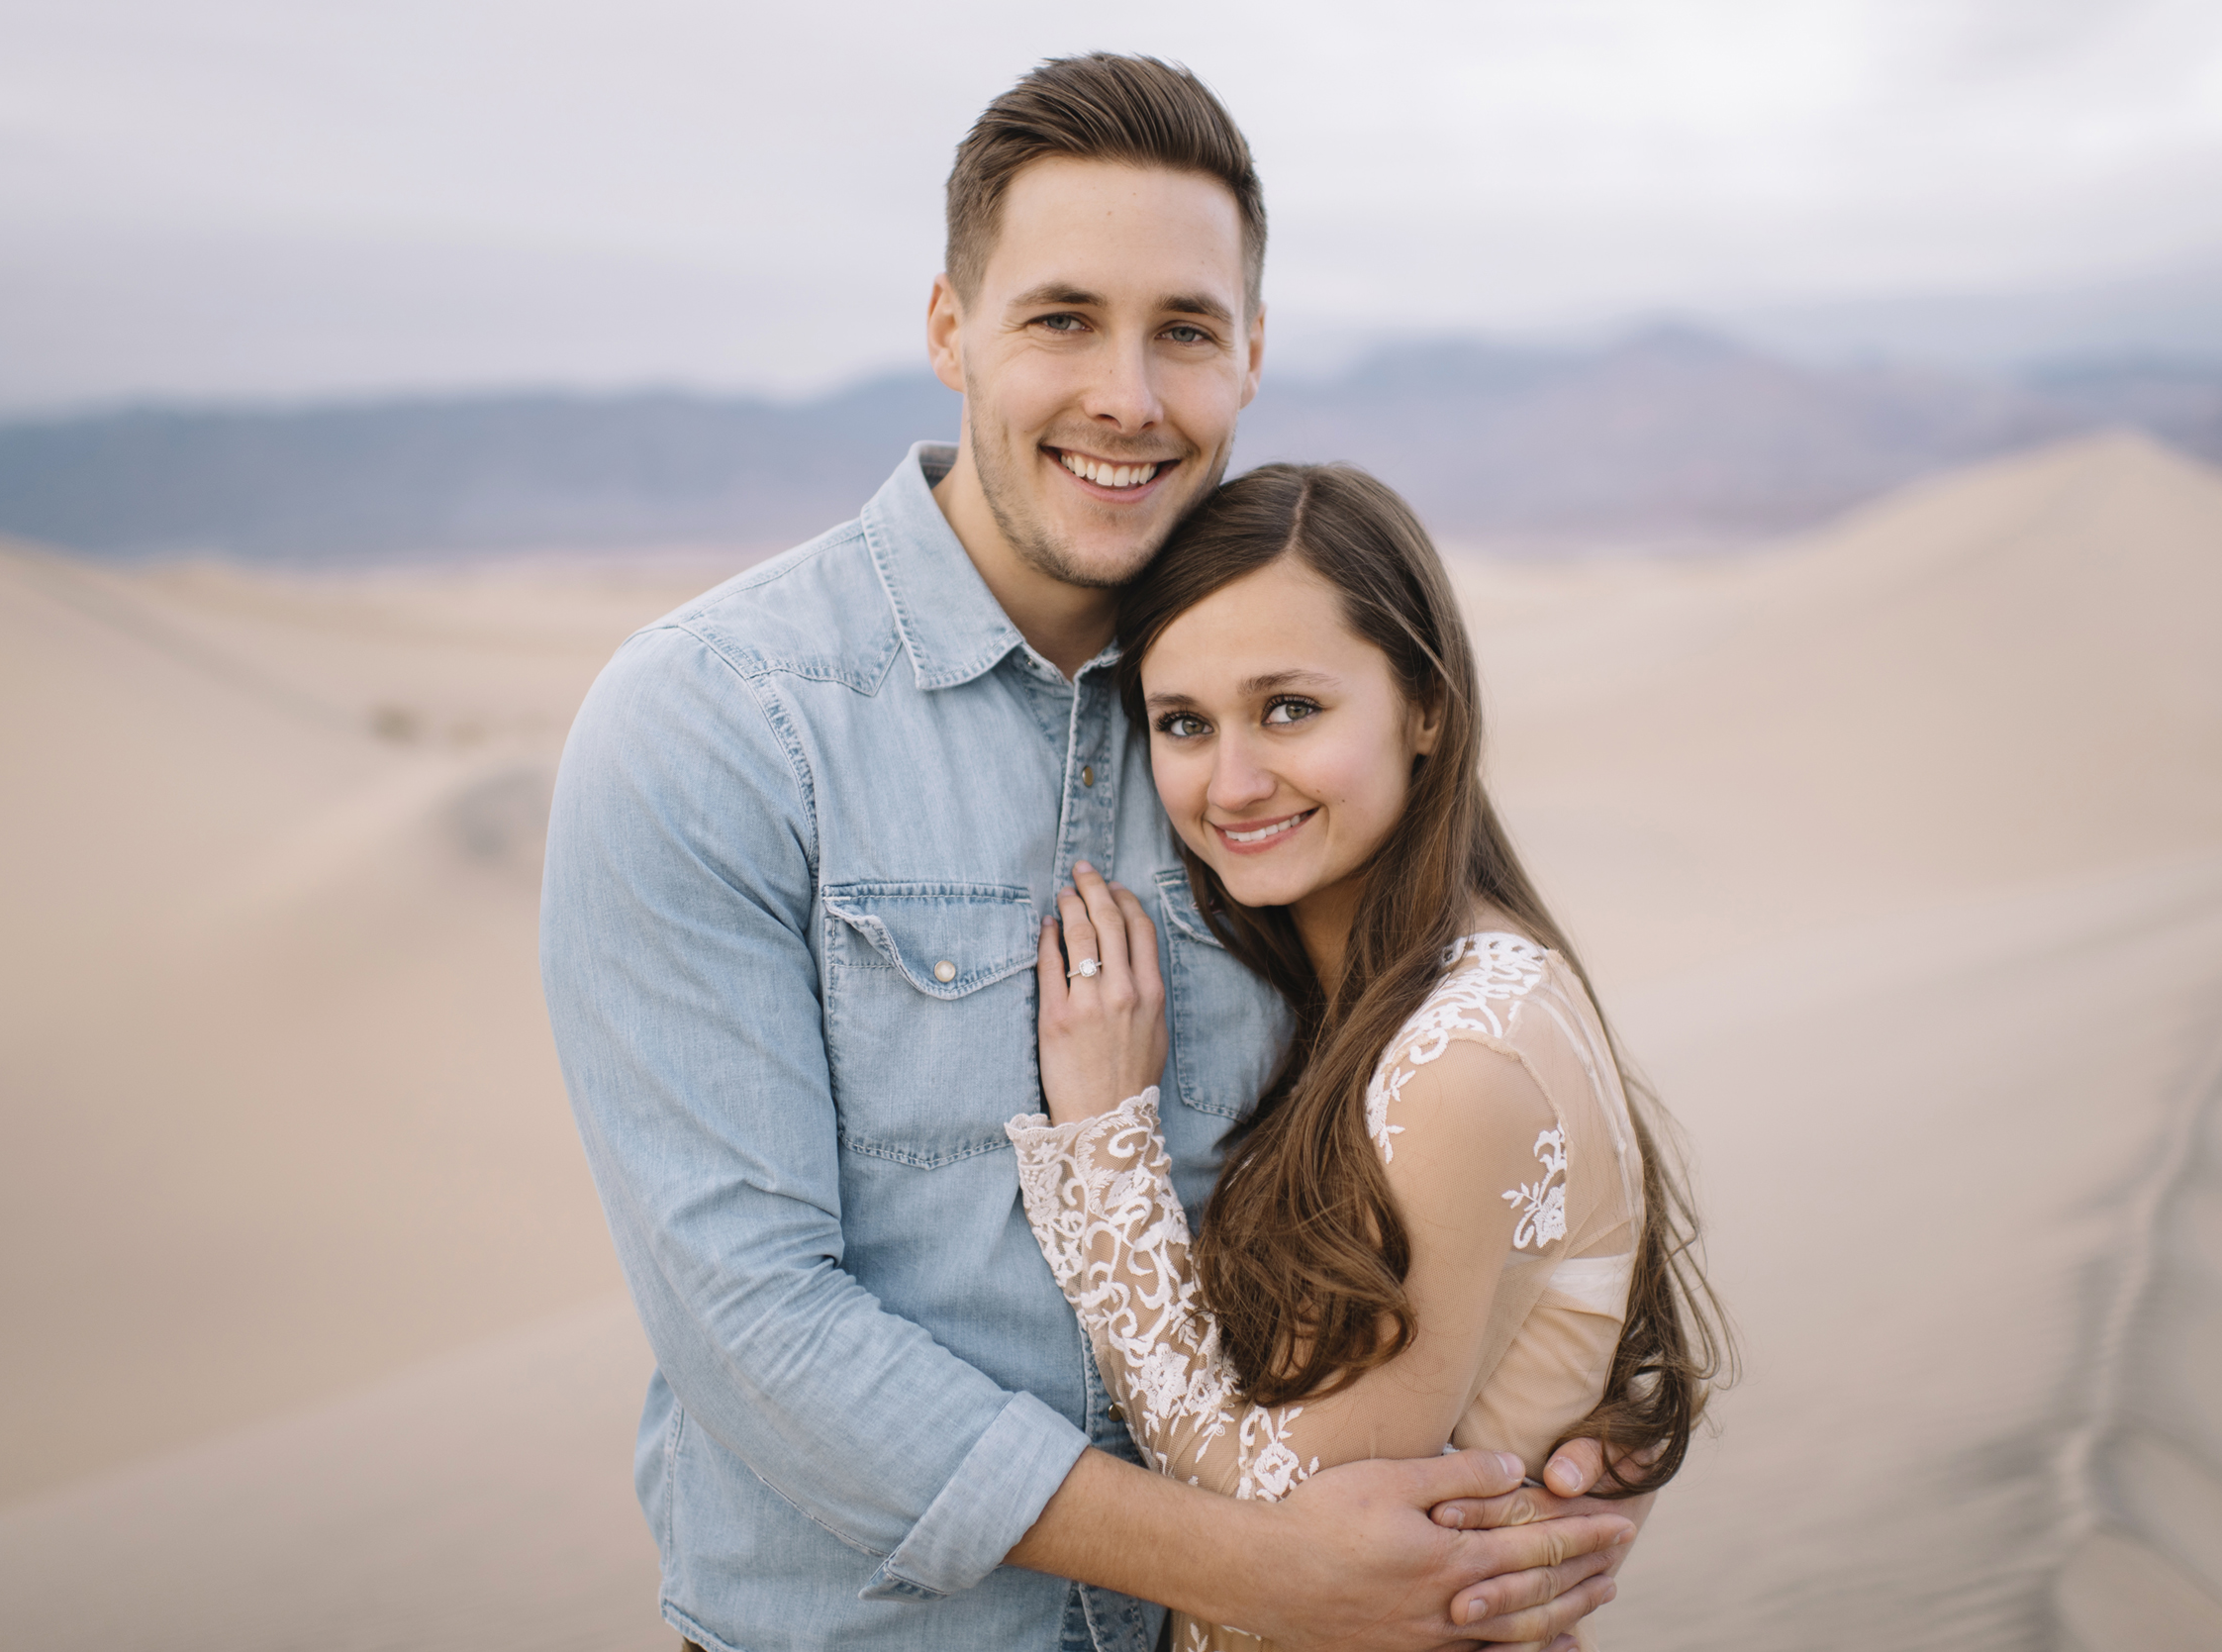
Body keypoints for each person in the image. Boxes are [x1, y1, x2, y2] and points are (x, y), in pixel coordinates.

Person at [542, 52, 1647, 1652]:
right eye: (1063, 317)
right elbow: (751, 1321)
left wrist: (1569, 1438)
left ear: (1251, 356)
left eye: (1184, 330)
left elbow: (1485, 1057)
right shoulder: (716, 719)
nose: (1127, 393)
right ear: (950, 332)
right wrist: (1248, 1561)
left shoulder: (1266, 722)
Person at [1011, 463, 1723, 1652]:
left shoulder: (1461, 1056)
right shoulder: (1408, 993)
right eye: (1183, 722)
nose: (1230, 783)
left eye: (1289, 707)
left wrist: (1103, 1156)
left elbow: (1287, 1518)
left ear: (1426, 706)